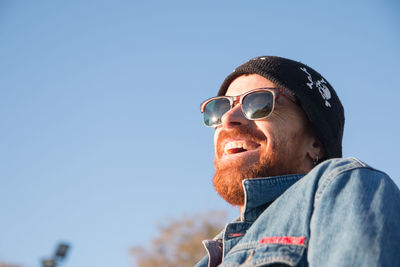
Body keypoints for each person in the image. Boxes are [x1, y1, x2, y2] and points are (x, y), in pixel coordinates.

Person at [195, 56, 400, 267]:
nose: (228, 119)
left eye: (259, 103)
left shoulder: (345, 184)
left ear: (316, 143)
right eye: (220, 109)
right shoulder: (210, 259)